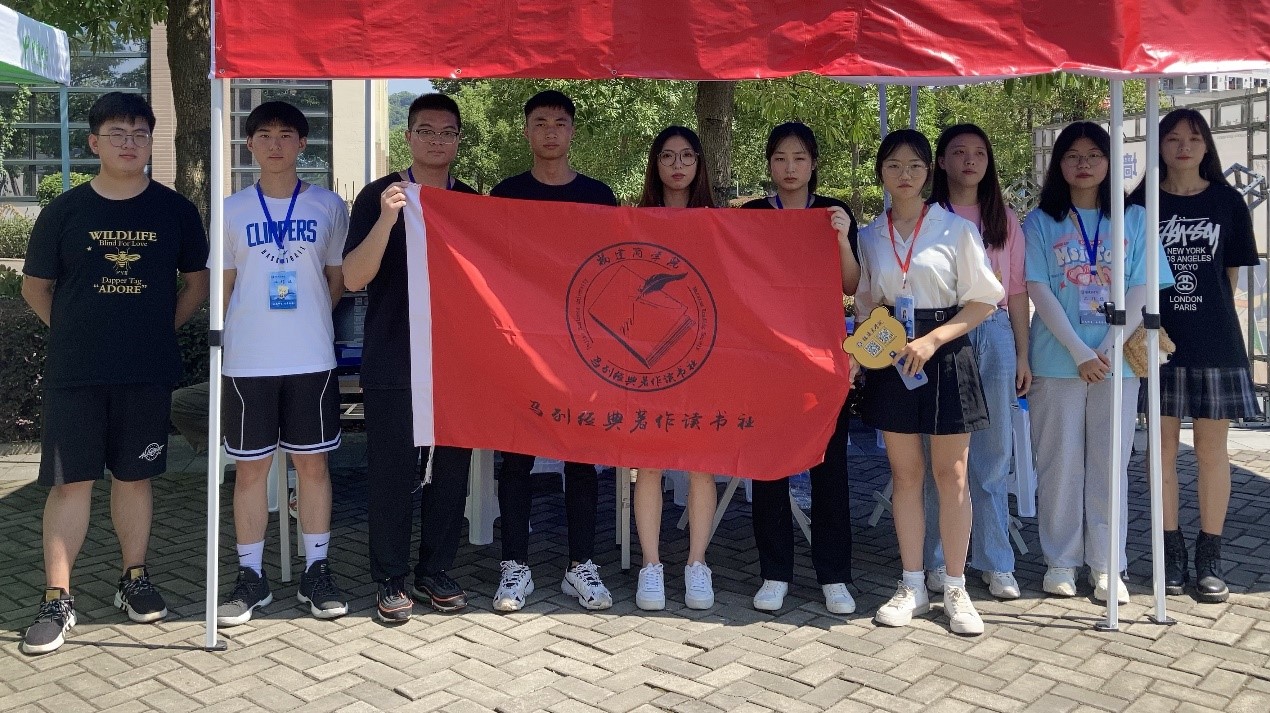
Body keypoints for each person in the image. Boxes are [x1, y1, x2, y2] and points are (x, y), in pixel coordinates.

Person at [19, 92, 209, 654]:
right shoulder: (65, 211)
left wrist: (155, 330)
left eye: (139, 133)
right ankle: (57, 598)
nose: (130, 143)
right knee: (70, 481)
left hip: (146, 370)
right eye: (117, 133)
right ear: (94, 142)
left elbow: (196, 284)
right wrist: (75, 333)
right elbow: (35, 288)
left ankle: (134, 579)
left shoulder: (174, 210)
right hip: (75, 372)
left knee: (134, 476)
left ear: (151, 142)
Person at [856, 128, 1002, 635]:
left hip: (945, 352)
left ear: (929, 171)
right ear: (881, 172)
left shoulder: (955, 229)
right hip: (893, 355)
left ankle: (956, 587)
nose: (905, 174)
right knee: (905, 475)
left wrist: (933, 340)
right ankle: (912, 583)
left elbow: (984, 301)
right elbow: (865, 302)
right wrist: (865, 351)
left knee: (952, 474)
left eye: (915, 165)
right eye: (894, 165)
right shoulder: (870, 235)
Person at [1025, 121, 1173, 605]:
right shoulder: (1040, 221)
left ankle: (1108, 565)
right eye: (1072, 155)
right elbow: (1037, 287)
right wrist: (1079, 351)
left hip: (1118, 362)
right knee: (1059, 464)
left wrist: (1108, 346)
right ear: (1059, 164)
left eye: (1094, 155)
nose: (1083, 164)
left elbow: (1143, 285)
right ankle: (1060, 561)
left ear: (1110, 162)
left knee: (1111, 465)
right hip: (1057, 360)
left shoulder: (1135, 218)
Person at [214, 101, 349, 626]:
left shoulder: (328, 205)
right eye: (264, 134)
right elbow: (225, 288)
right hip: (248, 362)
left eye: (286, 134)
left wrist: (304, 320)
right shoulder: (231, 209)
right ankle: (251, 577)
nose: (275, 144)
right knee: (251, 471)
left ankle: (317, 570)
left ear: (303, 144)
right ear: (249, 144)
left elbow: (336, 281)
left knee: (313, 466)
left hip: (311, 356)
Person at [344, 93, 477, 622]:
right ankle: (390, 577)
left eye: (447, 132)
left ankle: (435, 570)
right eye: (426, 130)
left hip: (457, 362)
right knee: (392, 473)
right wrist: (386, 220)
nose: (436, 141)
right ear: (408, 136)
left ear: (458, 140)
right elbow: (353, 276)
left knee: (451, 473)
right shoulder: (379, 196)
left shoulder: (471, 203)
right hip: (393, 356)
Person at [489, 89, 619, 612]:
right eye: (540, 122)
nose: (550, 131)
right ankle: (514, 566)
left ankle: (580, 564)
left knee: (581, 457)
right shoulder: (505, 194)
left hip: (583, 348)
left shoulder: (599, 196)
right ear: (526, 131)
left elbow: (613, 269)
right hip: (522, 346)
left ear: (572, 131)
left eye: (559, 122)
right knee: (515, 455)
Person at [1128, 108, 1260, 603]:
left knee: (1210, 451)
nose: (1183, 147)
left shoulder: (1228, 202)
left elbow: (1229, 276)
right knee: (1160, 451)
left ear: (1207, 146)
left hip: (1215, 339)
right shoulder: (1141, 203)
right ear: (1158, 146)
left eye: (1194, 138)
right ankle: (1170, 551)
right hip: (1156, 342)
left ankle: (1210, 555)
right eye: (1173, 138)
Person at [740, 122, 860, 615]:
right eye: (780, 158)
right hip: (766, 361)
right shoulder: (751, 216)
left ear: (813, 164)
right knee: (769, 468)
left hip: (822, 360)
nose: (789, 168)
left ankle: (835, 576)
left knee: (830, 469)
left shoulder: (832, 213)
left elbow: (851, 285)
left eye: (799, 158)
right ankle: (775, 574)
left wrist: (842, 239)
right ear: (769, 164)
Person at [922, 124, 1030, 600]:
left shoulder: (1003, 218)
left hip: (995, 332)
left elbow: (1017, 290)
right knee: (940, 459)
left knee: (993, 456)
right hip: (941, 331)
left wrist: (1022, 353)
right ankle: (937, 560)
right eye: (959, 152)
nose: (970, 161)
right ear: (941, 161)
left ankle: (996, 561)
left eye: (979, 152)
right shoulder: (927, 217)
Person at [629, 126, 719, 611]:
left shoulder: (720, 223)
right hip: (648, 359)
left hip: (705, 356)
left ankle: (697, 563)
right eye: (667, 156)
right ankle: (651, 565)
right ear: (656, 164)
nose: (677, 165)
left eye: (686, 156)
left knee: (702, 464)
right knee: (649, 463)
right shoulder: (634, 220)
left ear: (699, 163)